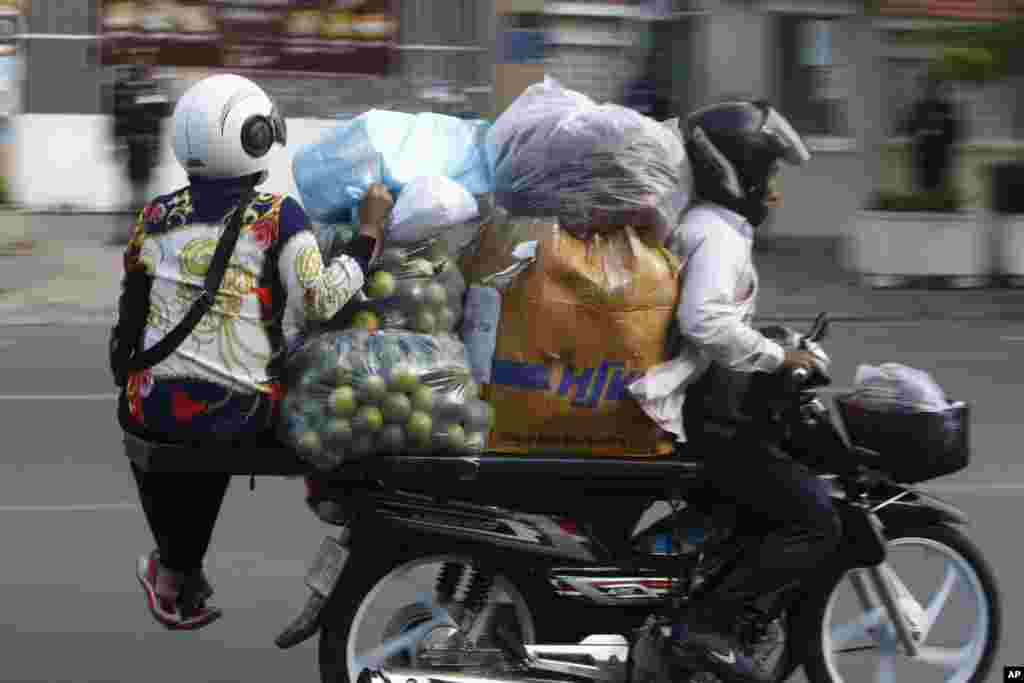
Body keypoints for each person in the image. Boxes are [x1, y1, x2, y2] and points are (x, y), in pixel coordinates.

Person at [109, 73, 392, 630]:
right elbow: (322, 301)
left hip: (148, 411)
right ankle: (343, 511)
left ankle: (174, 572)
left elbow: (132, 309)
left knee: (198, 417)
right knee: (342, 409)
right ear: (257, 136)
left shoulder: (152, 217)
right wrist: (367, 237)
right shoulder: (278, 216)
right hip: (241, 417)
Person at [658, 99, 841, 682]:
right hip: (709, 419)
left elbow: (715, 316)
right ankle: (707, 628)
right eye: (771, 174)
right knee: (814, 517)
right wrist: (774, 355)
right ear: (743, 170)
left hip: (705, 404)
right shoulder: (717, 234)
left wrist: (770, 337)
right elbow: (705, 322)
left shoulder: (709, 226)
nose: (775, 191)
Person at [110, 65, 170, 244]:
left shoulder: (134, 89)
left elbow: (158, 119)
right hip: (137, 146)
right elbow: (120, 118)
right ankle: (139, 232)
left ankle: (142, 232)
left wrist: (156, 150)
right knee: (136, 193)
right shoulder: (142, 89)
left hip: (141, 146)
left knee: (138, 193)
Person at [905, 75, 960, 193]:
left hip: (940, 153)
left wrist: (950, 144)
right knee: (922, 185)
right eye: (927, 87)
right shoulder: (918, 107)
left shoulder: (946, 107)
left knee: (940, 185)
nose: (930, 90)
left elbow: (952, 132)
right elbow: (910, 129)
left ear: (937, 89)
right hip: (922, 152)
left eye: (934, 87)